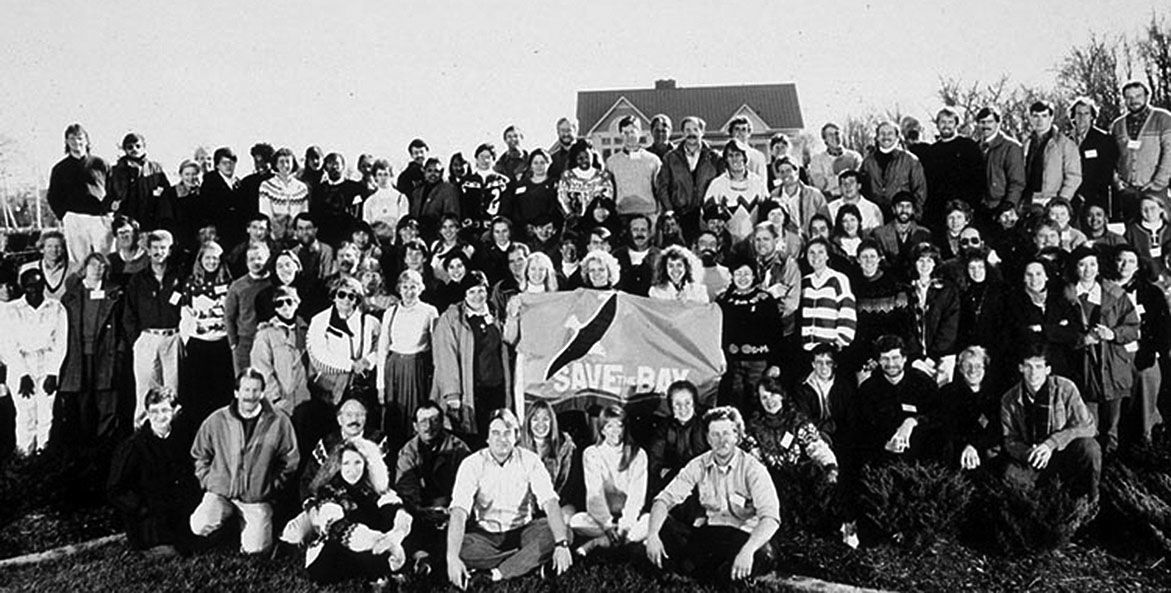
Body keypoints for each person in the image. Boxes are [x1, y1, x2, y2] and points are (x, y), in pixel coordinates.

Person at [645, 406, 779, 583]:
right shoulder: (698, 464)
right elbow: (664, 499)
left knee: (764, 553)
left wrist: (748, 550)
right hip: (711, 533)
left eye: (726, 433)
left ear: (737, 436)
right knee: (663, 526)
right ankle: (709, 571)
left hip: (744, 536)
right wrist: (653, 534)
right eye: (715, 434)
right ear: (708, 438)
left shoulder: (753, 469)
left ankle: (702, 571)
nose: (721, 440)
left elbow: (770, 518)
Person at [446, 408, 574, 588]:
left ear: (516, 436)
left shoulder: (530, 460)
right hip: (486, 535)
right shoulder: (471, 464)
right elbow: (459, 511)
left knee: (563, 533)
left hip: (523, 529)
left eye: (508, 433)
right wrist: (452, 557)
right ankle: (527, 562)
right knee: (459, 547)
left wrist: (561, 543)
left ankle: (495, 573)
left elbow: (550, 501)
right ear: (487, 438)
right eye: (495, 433)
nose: (501, 438)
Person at [189, 368, 300, 555]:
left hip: (255, 498)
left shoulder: (279, 421)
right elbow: (200, 454)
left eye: (256, 390)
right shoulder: (217, 420)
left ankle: (244, 528)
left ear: (263, 393)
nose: (250, 396)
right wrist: (209, 481)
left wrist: (270, 486)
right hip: (222, 493)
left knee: (256, 549)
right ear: (236, 392)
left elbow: (290, 459)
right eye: (246, 390)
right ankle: (227, 526)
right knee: (199, 524)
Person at [299, 438, 413, 585]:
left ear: (366, 464)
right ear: (338, 465)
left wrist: (396, 535)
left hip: (377, 544)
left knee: (394, 513)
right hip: (336, 552)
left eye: (357, 463)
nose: (351, 470)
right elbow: (337, 527)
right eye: (346, 463)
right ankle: (383, 570)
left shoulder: (373, 485)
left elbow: (397, 509)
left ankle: (388, 566)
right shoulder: (328, 491)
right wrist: (384, 543)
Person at [1001, 343, 1101, 501]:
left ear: (1048, 370)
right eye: (1028, 367)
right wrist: (1028, 453)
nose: (1034, 373)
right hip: (1033, 457)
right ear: (1021, 368)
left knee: (1089, 448)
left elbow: (1087, 427)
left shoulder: (1065, 388)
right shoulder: (1010, 399)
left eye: (1039, 367)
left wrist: (1051, 444)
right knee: (1010, 473)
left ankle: (1089, 504)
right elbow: (1010, 439)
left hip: (1062, 454)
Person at [107, 387, 198, 556]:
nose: (159, 417)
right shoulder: (134, 446)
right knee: (173, 549)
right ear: (147, 413)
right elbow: (116, 489)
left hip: (177, 510)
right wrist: (141, 508)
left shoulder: (182, 440)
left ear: (175, 412)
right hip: (148, 516)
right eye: (153, 411)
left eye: (165, 410)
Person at [1067, 246, 1140, 454]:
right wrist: (1083, 339)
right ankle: (1092, 468)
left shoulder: (1115, 294)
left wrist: (1113, 334)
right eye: (1082, 265)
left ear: (1099, 267)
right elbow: (1059, 332)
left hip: (1112, 366)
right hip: (1083, 367)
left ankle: (1112, 467)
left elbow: (1133, 327)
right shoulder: (1066, 296)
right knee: (1088, 423)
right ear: (1075, 268)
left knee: (1111, 426)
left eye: (1092, 264)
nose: (1088, 269)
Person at [395, 401, 472, 573]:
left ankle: (434, 559)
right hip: (421, 511)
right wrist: (423, 511)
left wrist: (450, 509)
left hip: (452, 510)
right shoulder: (408, 453)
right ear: (415, 426)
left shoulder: (458, 449)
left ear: (442, 422)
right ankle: (422, 558)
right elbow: (406, 490)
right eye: (423, 422)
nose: (429, 426)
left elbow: (468, 486)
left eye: (434, 420)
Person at [59, 252, 125, 450]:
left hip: (106, 355)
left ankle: (104, 447)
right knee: (82, 403)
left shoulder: (115, 294)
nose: (98, 270)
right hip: (78, 356)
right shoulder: (71, 296)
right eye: (94, 265)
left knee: (107, 403)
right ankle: (83, 448)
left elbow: (124, 326)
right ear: (84, 268)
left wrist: (119, 353)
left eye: (102, 266)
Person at [432, 271, 510, 440]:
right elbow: (446, 357)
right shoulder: (452, 318)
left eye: (481, 290)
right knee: (472, 437)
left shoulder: (496, 315)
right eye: (471, 292)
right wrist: (453, 394)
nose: (477, 296)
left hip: (495, 388)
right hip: (471, 390)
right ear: (465, 294)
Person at [2, 267, 68, 456]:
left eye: (38, 285)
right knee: (25, 414)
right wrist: (22, 374)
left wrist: (52, 373)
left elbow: (60, 342)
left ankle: (42, 455)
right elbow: (8, 344)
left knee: (46, 414)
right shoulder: (11, 310)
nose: (34, 290)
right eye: (30, 286)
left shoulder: (56, 308)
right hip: (20, 365)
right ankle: (24, 455)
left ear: (44, 285)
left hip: (46, 363)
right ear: (23, 287)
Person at [851, 335, 943, 468]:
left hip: (919, 454)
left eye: (895, 358)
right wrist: (885, 443)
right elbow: (862, 427)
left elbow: (938, 415)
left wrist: (912, 421)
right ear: (879, 361)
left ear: (905, 359)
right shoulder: (868, 389)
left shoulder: (922, 382)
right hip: (883, 454)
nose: (891, 364)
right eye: (885, 358)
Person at [570, 405, 649, 557]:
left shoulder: (638, 454)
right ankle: (628, 541)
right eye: (609, 426)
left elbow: (637, 496)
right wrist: (607, 526)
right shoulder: (592, 453)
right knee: (576, 521)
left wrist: (625, 527)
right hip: (603, 520)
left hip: (629, 518)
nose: (615, 431)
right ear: (602, 429)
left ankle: (598, 543)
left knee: (651, 521)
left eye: (620, 426)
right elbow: (595, 494)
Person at [124, 230, 183, 422]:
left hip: (173, 338)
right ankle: (142, 430)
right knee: (145, 390)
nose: (159, 252)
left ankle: (171, 432)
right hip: (147, 339)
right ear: (148, 251)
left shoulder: (178, 277)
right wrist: (137, 340)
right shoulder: (138, 279)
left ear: (169, 250)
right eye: (155, 248)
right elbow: (129, 313)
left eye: (163, 248)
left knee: (173, 390)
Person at [376, 270, 438, 443]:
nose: (409, 292)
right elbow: (382, 349)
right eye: (405, 287)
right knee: (394, 419)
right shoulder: (391, 312)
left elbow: (436, 348)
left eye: (413, 287)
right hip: (394, 369)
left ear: (421, 288)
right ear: (399, 289)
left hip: (417, 369)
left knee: (416, 416)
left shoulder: (429, 311)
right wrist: (380, 385)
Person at [176, 241, 235, 426]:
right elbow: (185, 313)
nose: (211, 262)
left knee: (222, 392)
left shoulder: (228, 282)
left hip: (222, 343)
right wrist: (187, 340)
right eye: (207, 258)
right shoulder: (191, 283)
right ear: (200, 259)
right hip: (199, 344)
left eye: (215, 258)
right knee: (198, 393)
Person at [744, 376, 838, 483]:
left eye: (773, 394)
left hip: (799, 481)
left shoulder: (797, 421)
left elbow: (817, 447)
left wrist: (830, 467)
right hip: (769, 482)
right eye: (764, 397)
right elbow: (754, 461)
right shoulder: (754, 427)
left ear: (781, 396)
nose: (769, 401)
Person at [307, 276, 381, 410]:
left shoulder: (370, 322)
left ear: (356, 300)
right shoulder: (320, 320)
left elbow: (380, 347)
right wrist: (350, 365)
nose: (346, 299)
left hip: (360, 386)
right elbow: (318, 354)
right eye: (341, 294)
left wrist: (367, 361)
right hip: (328, 387)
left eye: (351, 296)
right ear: (334, 296)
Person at [47, 123, 113, 267]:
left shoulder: (101, 164)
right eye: (71, 139)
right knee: (79, 261)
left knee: (106, 259)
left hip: (100, 218)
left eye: (79, 138)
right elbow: (53, 196)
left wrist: (109, 211)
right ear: (66, 142)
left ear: (87, 140)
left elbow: (112, 189)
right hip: (75, 219)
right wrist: (64, 215)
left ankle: (107, 289)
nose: (76, 142)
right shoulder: (60, 168)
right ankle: (81, 289)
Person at [1110, 80, 1171, 222]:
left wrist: (1159, 182)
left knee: (1160, 229)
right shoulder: (1118, 125)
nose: (1134, 101)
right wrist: (1117, 182)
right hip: (1128, 190)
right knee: (1132, 231)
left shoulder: (1163, 118)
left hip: (1155, 188)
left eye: (1138, 96)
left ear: (1147, 97)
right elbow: (1111, 156)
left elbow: (1169, 152)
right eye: (1129, 97)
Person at [657, 116, 723, 242]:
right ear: (682, 133)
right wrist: (670, 211)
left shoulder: (715, 157)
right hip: (680, 214)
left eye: (695, 129)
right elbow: (662, 187)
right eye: (687, 130)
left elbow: (722, 184)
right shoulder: (670, 158)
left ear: (702, 132)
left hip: (706, 216)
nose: (691, 133)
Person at [250, 286, 310, 417]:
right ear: (275, 307)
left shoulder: (307, 332)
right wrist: (275, 399)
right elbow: (261, 368)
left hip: (305, 400)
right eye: (279, 303)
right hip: (279, 403)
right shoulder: (265, 334)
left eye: (289, 301)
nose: (285, 306)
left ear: (297, 303)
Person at [939, 346, 1002, 471]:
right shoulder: (948, 393)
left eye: (978, 366)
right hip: (956, 453)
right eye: (968, 365)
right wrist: (966, 445)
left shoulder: (994, 396)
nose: (973, 370)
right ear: (961, 368)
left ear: (985, 368)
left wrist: (974, 445)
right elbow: (948, 427)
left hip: (984, 450)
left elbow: (997, 429)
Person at [919, 107, 984, 228]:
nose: (946, 126)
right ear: (937, 124)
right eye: (942, 122)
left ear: (956, 124)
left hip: (964, 207)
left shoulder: (968, 146)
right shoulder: (932, 152)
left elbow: (978, 178)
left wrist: (972, 205)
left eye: (950, 122)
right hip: (939, 209)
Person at [907, 242, 961, 385]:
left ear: (935, 264)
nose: (925, 265)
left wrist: (933, 357)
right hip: (915, 359)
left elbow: (949, 326)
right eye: (921, 260)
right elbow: (905, 324)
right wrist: (915, 357)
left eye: (929, 260)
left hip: (943, 356)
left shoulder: (948, 290)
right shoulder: (905, 290)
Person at [703, 140, 766, 244]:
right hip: (726, 245)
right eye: (730, 155)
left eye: (738, 155)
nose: (734, 159)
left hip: (753, 244)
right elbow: (706, 218)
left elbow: (766, 213)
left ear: (745, 157)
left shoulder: (757, 182)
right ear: (726, 159)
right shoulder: (717, 184)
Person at [1022, 101, 1082, 208]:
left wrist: (1061, 201)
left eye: (1044, 116)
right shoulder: (1026, 143)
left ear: (1051, 117)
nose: (1040, 120)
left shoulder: (1065, 144)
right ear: (1030, 118)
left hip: (1053, 200)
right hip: (1029, 201)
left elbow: (1074, 176)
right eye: (1036, 116)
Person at [800, 237, 856, 351]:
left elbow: (847, 309)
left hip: (831, 347)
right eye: (811, 252)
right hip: (808, 347)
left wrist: (841, 340)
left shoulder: (838, 279)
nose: (816, 257)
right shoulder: (804, 281)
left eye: (821, 252)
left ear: (827, 256)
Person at [108, 132, 171, 234]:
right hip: (126, 222)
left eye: (138, 146)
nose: (134, 149)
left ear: (144, 147)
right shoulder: (116, 172)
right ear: (124, 149)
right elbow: (108, 196)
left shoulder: (156, 169)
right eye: (130, 147)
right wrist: (112, 204)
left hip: (150, 221)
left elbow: (166, 194)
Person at [224, 243, 272, 373]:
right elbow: (229, 316)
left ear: (268, 259)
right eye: (251, 259)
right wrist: (234, 344)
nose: (256, 262)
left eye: (260, 258)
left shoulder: (274, 283)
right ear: (246, 262)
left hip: (270, 340)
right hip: (245, 342)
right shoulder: (238, 286)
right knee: (244, 382)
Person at [861, 121, 927, 216]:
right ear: (877, 137)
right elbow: (863, 190)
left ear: (897, 137)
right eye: (882, 133)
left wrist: (914, 215)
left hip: (901, 216)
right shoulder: (868, 162)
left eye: (890, 133)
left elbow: (920, 191)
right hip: (875, 216)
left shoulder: (910, 160)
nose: (886, 137)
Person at [975, 107, 1026, 225]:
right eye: (982, 122)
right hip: (981, 206)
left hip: (1001, 206)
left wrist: (1009, 204)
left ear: (998, 123)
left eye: (990, 122)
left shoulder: (1010, 147)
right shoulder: (975, 147)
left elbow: (1017, 181)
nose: (986, 126)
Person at [795, 344, 852, 448]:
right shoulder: (803, 387)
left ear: (834, 364)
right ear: (813, 364)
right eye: (819, 362)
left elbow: (848, 417)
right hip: (813, 435)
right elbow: (804, 417)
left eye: (828, 362)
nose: (824, 367)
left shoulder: (844, 385)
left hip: (840, 435)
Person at [1069, 96, 1120, 213]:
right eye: (1079, 114)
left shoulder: (1104, 139)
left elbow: (1106, 172)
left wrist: (1083, 194)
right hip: (1070, 197)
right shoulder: (1066, 140)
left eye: (1086, 113)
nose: (1082, 118)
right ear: (1073, 116)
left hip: (1096, 198)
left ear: (1092, 116)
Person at [607, 116, 662, 222]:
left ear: (640, 132)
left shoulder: (653, 160)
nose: (629, 136)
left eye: (632, 132)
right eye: (625, 133)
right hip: (622, 215)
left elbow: (660, 190)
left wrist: (658, 214)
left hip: (648, 214)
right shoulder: (612, 162)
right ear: (620, 135)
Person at [499, 149, 560, 239]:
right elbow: (512, 207)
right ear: (530, 165)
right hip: (523, 232)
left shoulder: (555, 184)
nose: (539, 166)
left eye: (542, 162)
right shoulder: (520, 185)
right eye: (535, 163)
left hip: (547, 233)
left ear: (549, 163)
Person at [557, 139, 613, 231]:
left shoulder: (603, 177)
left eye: (586, 157)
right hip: (576, 225)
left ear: (592, 156)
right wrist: (571, 214)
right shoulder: (567, 177)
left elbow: (608, 198)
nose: (584, 161)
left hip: (599, 223)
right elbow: (562, 198)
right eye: (580, 158)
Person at [258, 147, 310, 244]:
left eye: (288, 162)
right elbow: (265, 213)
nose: (285, 165)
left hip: (296, 237)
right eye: (281, 162)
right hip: (273, 237)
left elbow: (304, 214)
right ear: (276, 164)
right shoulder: (266, 186)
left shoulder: (301, 188)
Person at [410, 158, 462, 241]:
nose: (433, 174)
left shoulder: (448, 189)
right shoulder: (417, 191)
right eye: (429, 171)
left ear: (441, 173)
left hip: (438, 236)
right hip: (419, 236)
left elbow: (452, 215)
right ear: (424, 171)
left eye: (436, 171)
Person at [461, 144, 511, 230]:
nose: (485, 160)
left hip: (495, 228)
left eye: (488, 157)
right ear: (476, 158)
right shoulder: (466, 182)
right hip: (471, 227)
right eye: (481, 156)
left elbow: (506, 205)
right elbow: (462, 204)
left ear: (493, 159)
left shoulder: (503, 181)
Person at [808, 122, 863, 201]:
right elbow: (821, 185)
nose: (835, 137)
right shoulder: (817, 159)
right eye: (830, 135)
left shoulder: (854, 157)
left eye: (837, 133)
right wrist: (847, 178)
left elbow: (859, 179)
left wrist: (831, 179)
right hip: (830, 200)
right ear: (825, 139)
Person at [201, 147, 241, 251]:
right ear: (217, 165)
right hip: (218, 232)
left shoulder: (237, 182)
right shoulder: (210, 181)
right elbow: (205, 207)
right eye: (225, 163)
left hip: (235, 232)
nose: (229, 166)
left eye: (231, 163)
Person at [1124, 194, 1171, 278]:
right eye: (1144, 209)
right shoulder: (1132, 230)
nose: (1148, 212)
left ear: (1161, 209)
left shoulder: (1169, 228)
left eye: (1153, 208)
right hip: (1142, 274)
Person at [615, 214, 659, 296]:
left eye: (643, 230)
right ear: (629, 232)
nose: (639, 234)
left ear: (649, 233)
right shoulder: (617, 255)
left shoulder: (659, 256)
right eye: (635, 230)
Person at [363, 159, 410, 232]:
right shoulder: (370, 201)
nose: (383, 178)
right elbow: (367, 225)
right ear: (375, 177)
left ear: (391, 176)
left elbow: (403, 223)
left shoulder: (400, 198)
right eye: (379, 174)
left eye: (386, 174)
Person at [291, 213, 336, 283]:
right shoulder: (293, 253)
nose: (304, 232)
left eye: (308, 228)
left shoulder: (326, 250)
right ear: (295, 232)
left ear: (315, 230)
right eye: (300, 228)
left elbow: (327, 277)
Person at [30, 230, 70, 301]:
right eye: (49, 246)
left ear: (63, 249)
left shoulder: (75, 269)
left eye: (58, 246)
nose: (54, 250)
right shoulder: (29, 268)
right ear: (42, 249)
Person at [108, 216, 148, 286]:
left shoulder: (148, 258)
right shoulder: (111, 260)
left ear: (136, 234)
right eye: (120, 232)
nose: (123, 236)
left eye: (127, 231)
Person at [548, 116, 579, 182]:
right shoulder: (553, 159)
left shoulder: (588, 154)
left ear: (575, 131)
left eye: (568, 130)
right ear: (558, 133)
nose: (566, 134)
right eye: (562, 130)